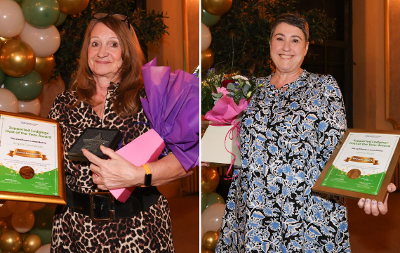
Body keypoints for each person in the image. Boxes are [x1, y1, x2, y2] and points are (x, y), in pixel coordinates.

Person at [215, 13, 396, 252]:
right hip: (253, 212)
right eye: (280, 38)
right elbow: (234, 143)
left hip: (305, 215)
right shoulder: (251, 89)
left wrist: (371, 186)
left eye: (295, 40)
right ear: (270, 44)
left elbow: (338, 150)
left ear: (306, 47)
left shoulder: (324, 87)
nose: (286, 47)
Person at [48, 13, 193, 252]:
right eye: (95, 43)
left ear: (127, 51)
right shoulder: (64, 104)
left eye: (113, 44)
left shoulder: (150, 99)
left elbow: (186, 160)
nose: (101, 52)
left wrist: (138, 175)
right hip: (72, 230)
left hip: (138, 230)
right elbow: (48, 166)